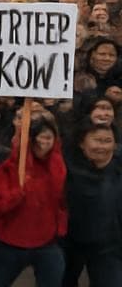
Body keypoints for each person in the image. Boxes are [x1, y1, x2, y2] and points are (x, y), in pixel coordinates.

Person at [0, 112, 66, 287]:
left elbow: (62, 202)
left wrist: (60, 225)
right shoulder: (7, 170)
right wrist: (16, 196)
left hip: (47, 241)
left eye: (48, 138)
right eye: (37, 138)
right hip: (12, 243)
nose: (43, 143)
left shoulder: (58, 166)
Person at [63, 120, 122, 286]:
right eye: (97, 140)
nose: (102, 146)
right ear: (82, 143)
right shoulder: (66, 166)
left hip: (108, 246)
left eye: (107, 141)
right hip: (69, 243)